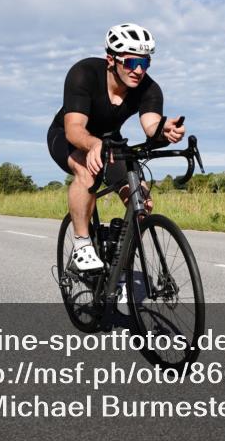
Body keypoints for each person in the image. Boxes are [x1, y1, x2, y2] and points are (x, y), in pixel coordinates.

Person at [47, 23, 185, 272]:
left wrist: (163, 129)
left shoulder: (149, 88)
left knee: (142, 203)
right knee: (87, 172)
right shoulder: (84, 73)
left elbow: (151, 124)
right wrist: (92, 144)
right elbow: (75, 128)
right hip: (68, 137)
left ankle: (119, 268)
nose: (139, 70)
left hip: (110, 142)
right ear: (111, 59)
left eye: (145, 63)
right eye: (132, 63)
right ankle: (82, 245)